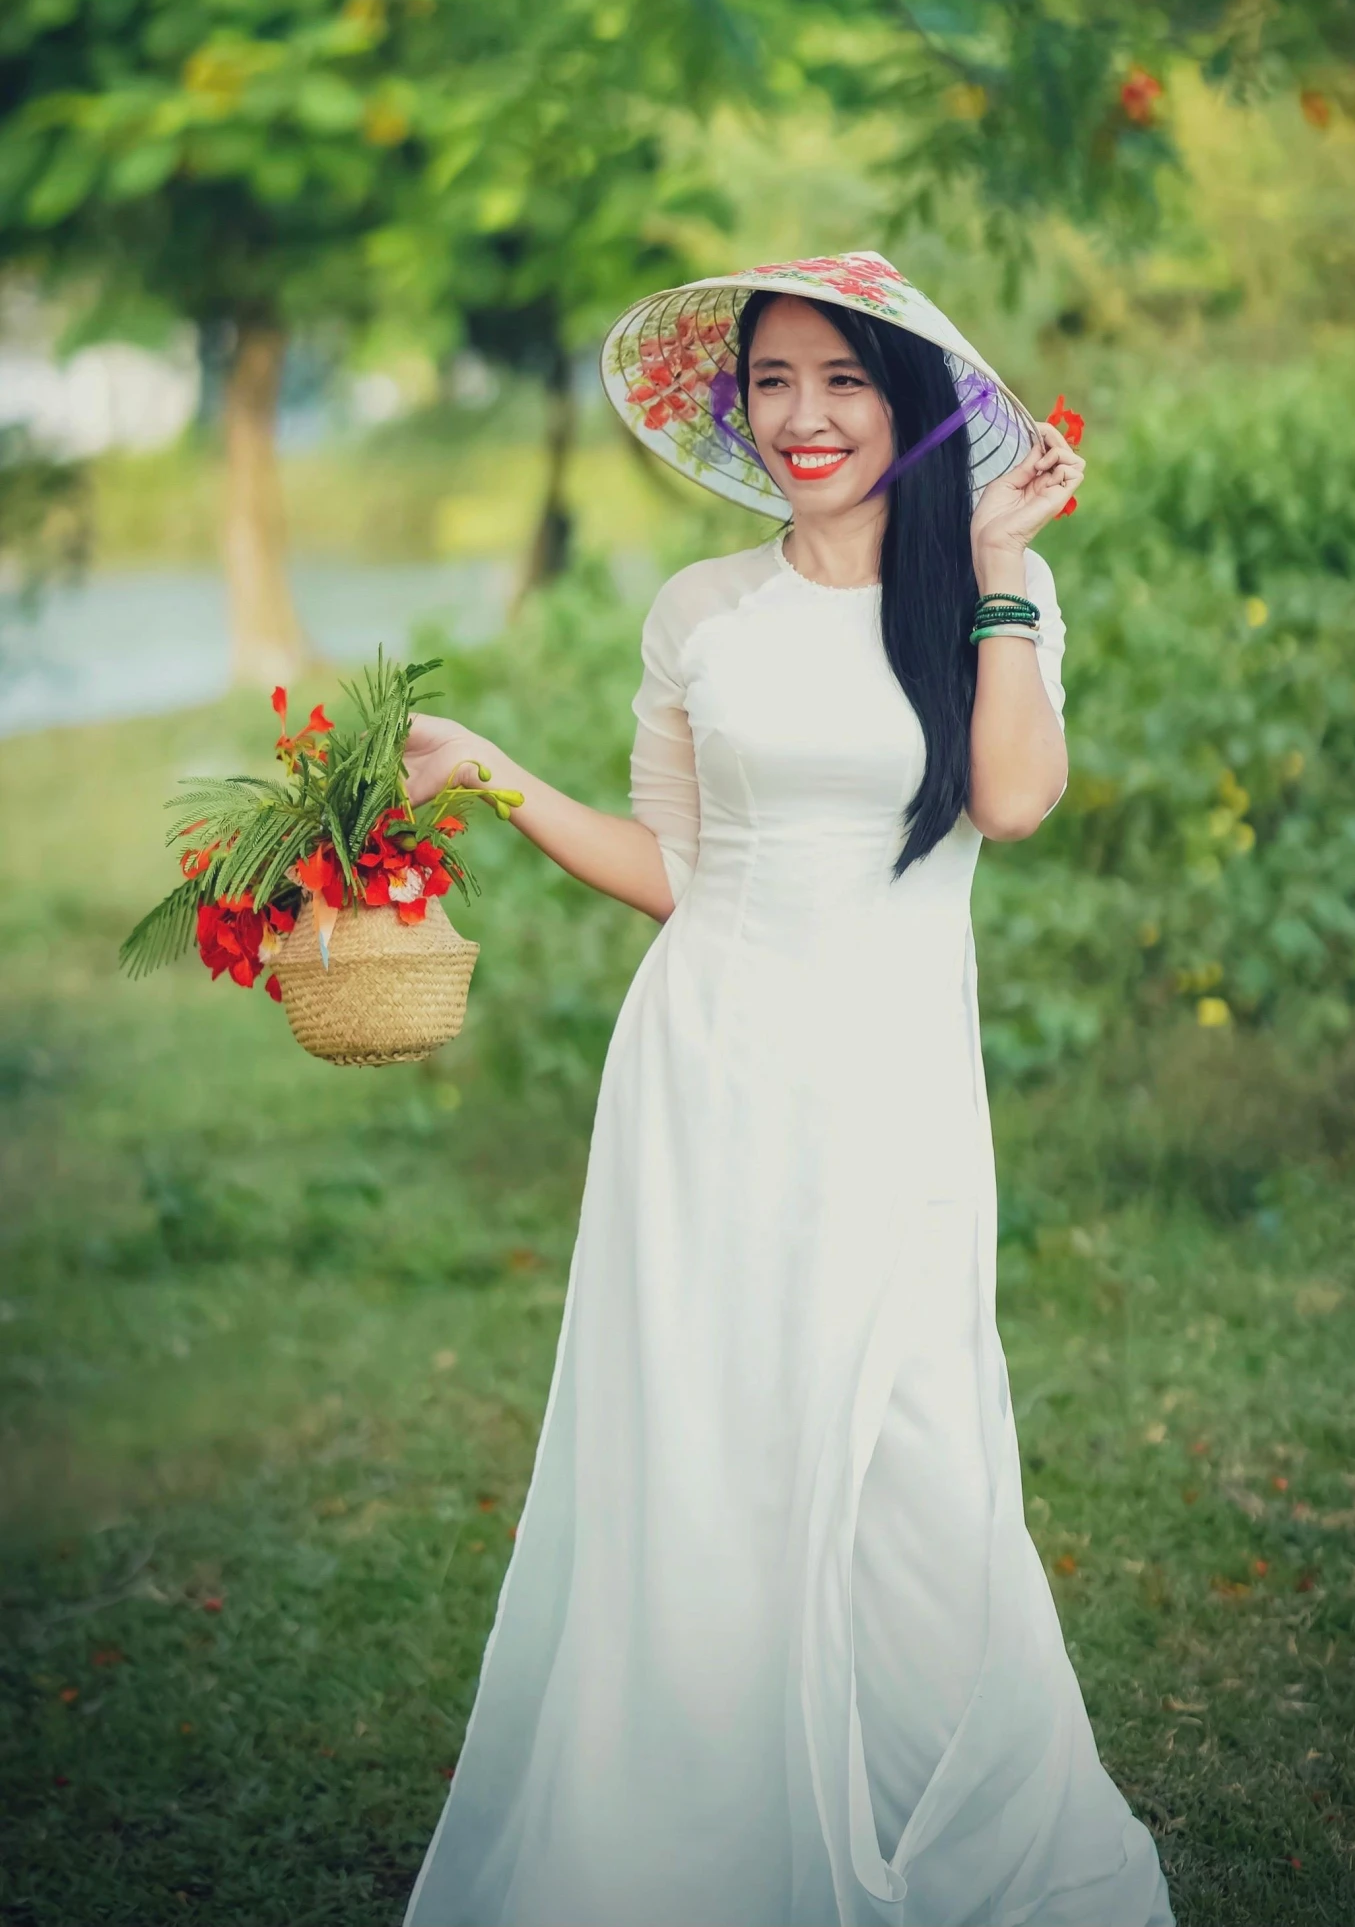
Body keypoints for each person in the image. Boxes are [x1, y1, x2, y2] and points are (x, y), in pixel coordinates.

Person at [400, 253, 1173, 1927]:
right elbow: (679, 864)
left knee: (920, 1458)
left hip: (892, 1085)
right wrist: (500, 778)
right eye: (774, 382)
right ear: (736, 406)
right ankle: (691, 1841)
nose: (805, 416)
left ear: (906, 405)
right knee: (705, 1451)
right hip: (705, 1073)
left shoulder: (982, 591)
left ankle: (947, 1816)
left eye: (842, 380)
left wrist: (1002, 572)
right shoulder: (700, 611)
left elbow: (1017, 800)